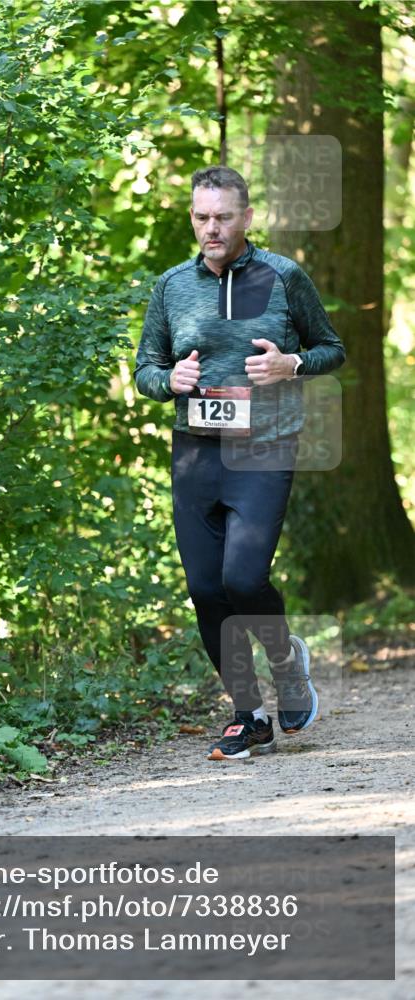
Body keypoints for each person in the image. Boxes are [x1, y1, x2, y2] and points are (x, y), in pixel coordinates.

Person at [133, 165, 346, 761]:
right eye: (202, 217)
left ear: (247, 218)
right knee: (205, 588)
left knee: (243, 580)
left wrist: (291, 365)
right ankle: (248, 716)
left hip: (266, 446)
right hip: (197, 452)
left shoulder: (283, 277)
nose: (212, 229)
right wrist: (167, 379)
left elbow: (332, 348)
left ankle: (287, 663)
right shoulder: (173, 286)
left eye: (223, 217)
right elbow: (145, 367)